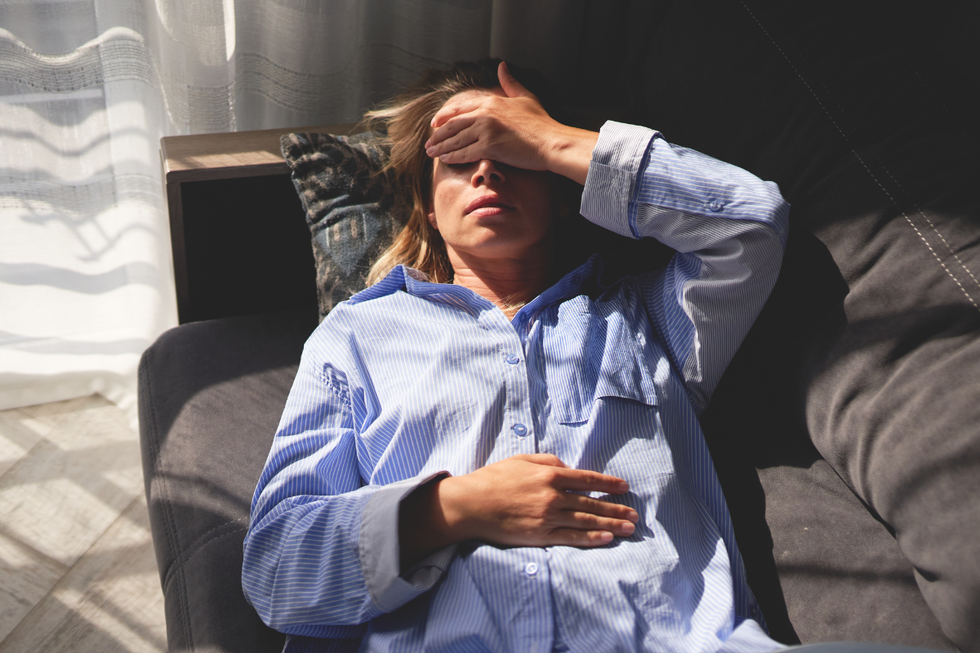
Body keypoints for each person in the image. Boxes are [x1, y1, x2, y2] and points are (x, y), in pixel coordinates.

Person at [242, 59, 790, 652]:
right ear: (428, 204)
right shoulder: (356, 337)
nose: (486, 173)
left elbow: (752, 225)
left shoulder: (647, 317)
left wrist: (553, 140)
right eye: (457, 157)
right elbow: (276, 568)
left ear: (560, 193)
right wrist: (453, 509)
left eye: (512, 156)